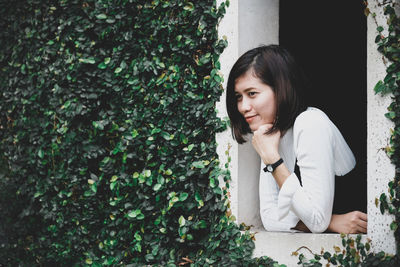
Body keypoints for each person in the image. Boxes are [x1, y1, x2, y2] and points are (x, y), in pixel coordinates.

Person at [225, 45, 367, 233]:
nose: (243, 106)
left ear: (281, 89)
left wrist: (273, 161)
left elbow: (317, 221)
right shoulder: (269, 135)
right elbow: (269, 217)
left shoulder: (310, 123)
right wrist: (333, 222)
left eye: (252, 94)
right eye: (238, 97)